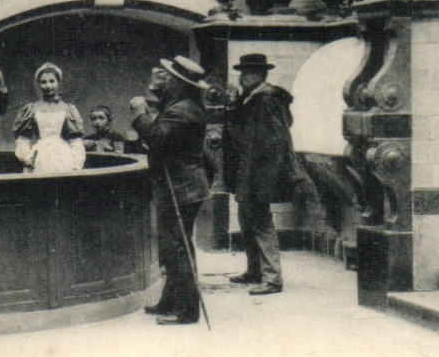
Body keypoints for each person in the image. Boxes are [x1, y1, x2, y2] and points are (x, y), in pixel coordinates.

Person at [131, 55, 210, 326]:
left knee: (178, 248)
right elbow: (163, 131)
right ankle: (170, 301)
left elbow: (157, 137)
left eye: (170, 78)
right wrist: (154, 93)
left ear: (180, 83)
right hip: (181, 185)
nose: (165, 81)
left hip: (181, 187)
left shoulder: (183, 110)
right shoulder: (182, 105)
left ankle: (187, 311)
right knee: (172, 246)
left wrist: (139, 113)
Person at [224, 53, 310, 296]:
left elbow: (277, 141)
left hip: (259, 174)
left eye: (247, 73)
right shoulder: (252, 99)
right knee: (247, 220)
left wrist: (264, 180)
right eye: (242, 73)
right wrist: (233, 105)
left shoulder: (267, 100)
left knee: (260, 223)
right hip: (249, 171)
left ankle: (272, 278)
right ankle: (255, 271)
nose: (242, 78)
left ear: (260, 75)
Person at [12, 62, 87, 173]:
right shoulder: (32, 109)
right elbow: (23, 138)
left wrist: (76, 163)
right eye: (43, 82)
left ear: (58, 82)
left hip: (63, 156)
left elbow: (76, 140)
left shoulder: (68, 109)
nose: (48, 86)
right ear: (38, 84)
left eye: (52, 81)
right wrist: (26, 156)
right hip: (40, 156)